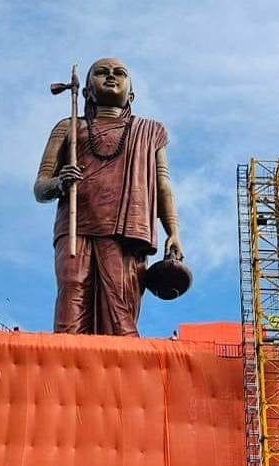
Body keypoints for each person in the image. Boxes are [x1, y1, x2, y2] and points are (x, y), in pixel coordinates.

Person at [34, 57, 184, 337]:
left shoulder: (150, 132)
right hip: (77, 226)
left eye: (119, 73)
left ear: (132, 94)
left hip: (126, 231)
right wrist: (60, 183)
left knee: (120, 303)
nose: (111, 77)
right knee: (72, 289)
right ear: (87, 91)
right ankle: (69, 357)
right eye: (102, 73)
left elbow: (162, 184)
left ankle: (118, 358)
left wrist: (173, 231)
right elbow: (40, 188)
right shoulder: (68, 128)